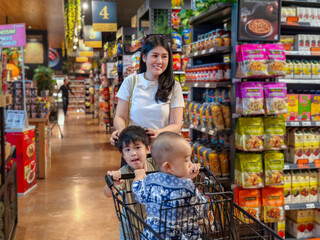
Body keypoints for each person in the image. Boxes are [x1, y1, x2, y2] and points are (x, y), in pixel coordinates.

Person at [110, 36, 184, 157]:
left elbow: (176, 124)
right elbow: (120, 116)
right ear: (144, 57)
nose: (159, 61)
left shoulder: (174, 86)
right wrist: (121, 133)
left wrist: (158, 132)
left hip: (164, 152)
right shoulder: (131, 82)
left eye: (164, 56)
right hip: (135, 153)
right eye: (155, 55)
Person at [132, 132, 208, 240]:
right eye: (186, 160)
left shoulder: (150, 180)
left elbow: (138, 194)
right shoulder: (187, 185)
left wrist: (138, 177)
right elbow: (201, 208)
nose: (191, 164)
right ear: (168, 166)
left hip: (154, 236)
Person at [104, 125, 158, 240]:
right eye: (127, 150)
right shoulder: (124, 173)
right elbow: (108, 193)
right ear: (123, 155)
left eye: (137, 147)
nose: (133, 153)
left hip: (154, 227)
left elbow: (173, 165)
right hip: (132, 229)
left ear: (148, 148)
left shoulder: (154, 164)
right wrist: (113, 182)